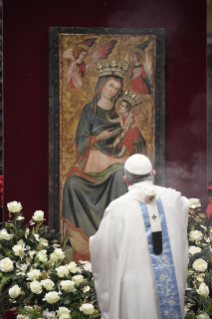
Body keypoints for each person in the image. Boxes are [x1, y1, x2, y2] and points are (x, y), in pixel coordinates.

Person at [62, 62, 147, 260]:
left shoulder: (120, 113)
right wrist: (98, 139)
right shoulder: (88, 111)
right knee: (72, 183)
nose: (113, 91)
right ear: (102, 85)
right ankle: (80, 244)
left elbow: (134, 138)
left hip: (116, 163)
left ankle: (118, 241)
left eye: (117, 89)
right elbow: (81, 140)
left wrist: (133, 139)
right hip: (91, 165)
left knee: (120, 175)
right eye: (111, 86)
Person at [90, 154, 190, 319]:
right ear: (153, 173)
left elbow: (100, 248)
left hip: (133, 288)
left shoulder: (117, 209)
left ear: (126, 180)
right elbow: (185, 207)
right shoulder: (173, 198)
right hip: (168, 287)